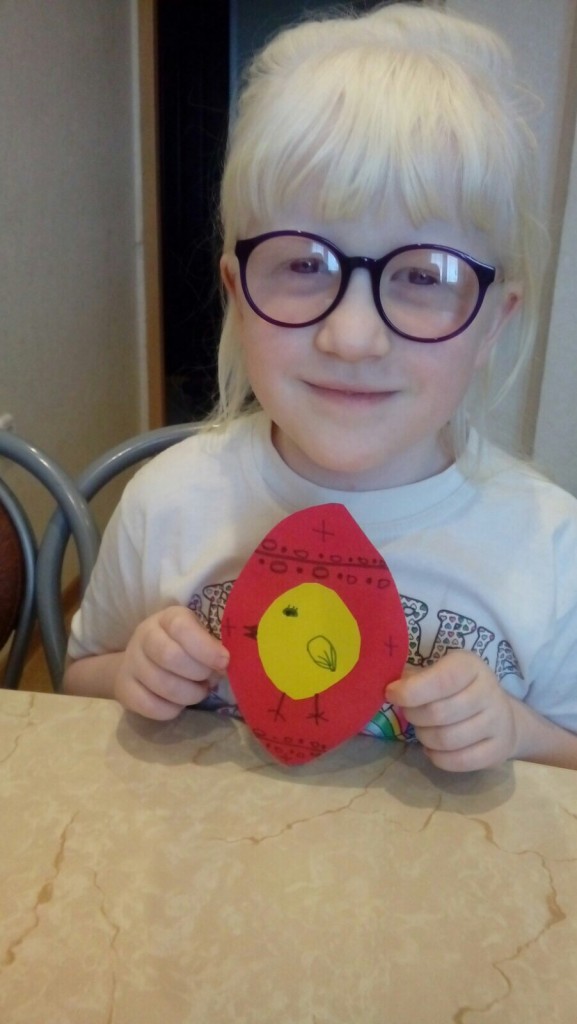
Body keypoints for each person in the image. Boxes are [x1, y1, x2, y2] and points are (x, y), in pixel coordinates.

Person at [63, 1, 577, 772]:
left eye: (422, 276)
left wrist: (519, 731)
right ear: (237, 294)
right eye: (304, 264)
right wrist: (130, 673)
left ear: (491, 323)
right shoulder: (167, 503)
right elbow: (77, 682)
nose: (352, 336)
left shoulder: (550, 548)